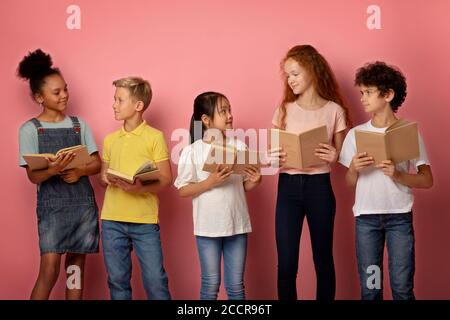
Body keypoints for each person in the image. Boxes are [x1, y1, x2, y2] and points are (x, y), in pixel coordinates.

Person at [339, 61, 433, 300]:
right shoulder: (355, 135)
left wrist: (398, 174)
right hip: (366, 220)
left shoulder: (409, 132)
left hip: (399, 218)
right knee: (371, 289)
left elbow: (427, 179)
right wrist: (353, 168)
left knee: (402, 288)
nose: (363, 98)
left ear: (388, 94)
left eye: (368, 92)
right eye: (362, 93)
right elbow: (350, 182)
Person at [17, 49, 101, 300]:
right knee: (49, 270)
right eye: (57, 92)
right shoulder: (30, 130)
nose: (64, 95)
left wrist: (78, 170)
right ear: (39, 97)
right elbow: (33, 177)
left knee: (75, 270)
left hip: (82, 207)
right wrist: (52, 169)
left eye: (65, 89)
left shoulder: (79, 125)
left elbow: (96, 164)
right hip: (52, 209)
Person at [270, 45, 351, 300]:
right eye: (288, 76)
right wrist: (274, 156)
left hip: (320, 188)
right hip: (288, 187)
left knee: (323, 259)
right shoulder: (284, 109)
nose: (290, 80)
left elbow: (342, 156)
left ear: (312, 71)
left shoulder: (335, 111)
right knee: (286, 264)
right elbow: (273, 154)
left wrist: (335, 155)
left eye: (295, 73)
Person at [174, 92, 261, 299]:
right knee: (210, 285)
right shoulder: (192, 151)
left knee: (236, 287)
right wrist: (209, 182)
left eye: (230, 109)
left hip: (237, 224)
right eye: (223, 111)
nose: (230, 115)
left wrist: (255, 180)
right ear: (205, 119)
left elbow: (244, 187)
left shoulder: (239, 147)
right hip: (207, 227)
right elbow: (183, 189)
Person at [100, 76, 172, 300]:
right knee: (117, 281)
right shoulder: (110, 139)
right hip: (112, 220)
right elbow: (103, 177)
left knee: (155, 281)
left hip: (144, 221)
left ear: (138, 106)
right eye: (114, 99)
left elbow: (166, 178)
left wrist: (138, 189)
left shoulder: (155, 137)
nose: (114, 104)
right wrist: (107, 178)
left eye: (120, 100)